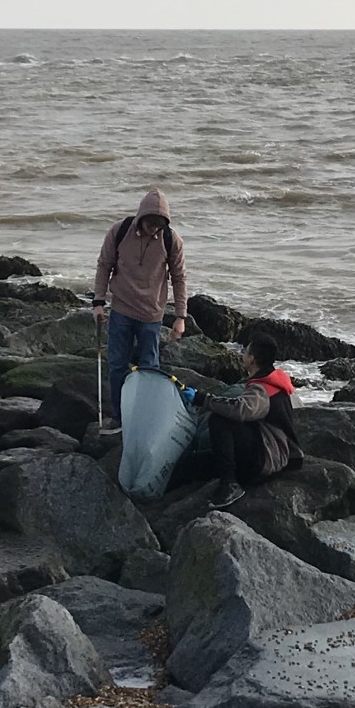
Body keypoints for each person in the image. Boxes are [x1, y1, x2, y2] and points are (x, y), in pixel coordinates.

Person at [92, 188, 189, 429]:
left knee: (150, 369)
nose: (154, 228)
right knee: (117, 365)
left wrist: (180, 316)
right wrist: (98, 302)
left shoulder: (171, 239)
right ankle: (119, 416)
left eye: (159, 224)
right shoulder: (120, 231)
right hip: (121, 310)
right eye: (151, 222)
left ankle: (146, 419)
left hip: (152, 315)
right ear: (141, 216)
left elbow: (179, 278)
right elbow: (104, 266)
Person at [197, 333, 303, 508]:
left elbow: (240, 410)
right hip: (273, 450)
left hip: (269, 458)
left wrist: (204, 400)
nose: (242, 355)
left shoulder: (263, 389)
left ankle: (230, 484)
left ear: (252, 359)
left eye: (245, 351)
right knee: (198, 462)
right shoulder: (275, 380)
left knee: (219, 420)